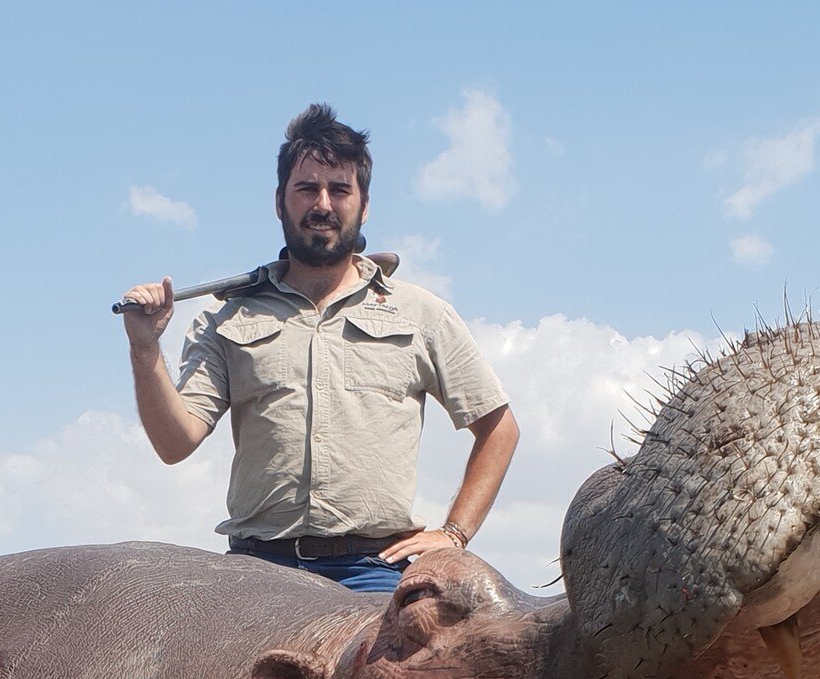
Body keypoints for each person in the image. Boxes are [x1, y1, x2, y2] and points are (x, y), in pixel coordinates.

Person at [118, 104, 519, 592]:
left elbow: (499, 429)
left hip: (373, 571)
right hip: (256, 572)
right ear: (279, 201)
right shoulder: (226, 319)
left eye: (340, 189)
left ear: (364, 204)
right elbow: (174, 443)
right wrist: (145, 351)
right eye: (307, 188)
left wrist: (454, 533)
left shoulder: (422, 314)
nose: (322, 204)